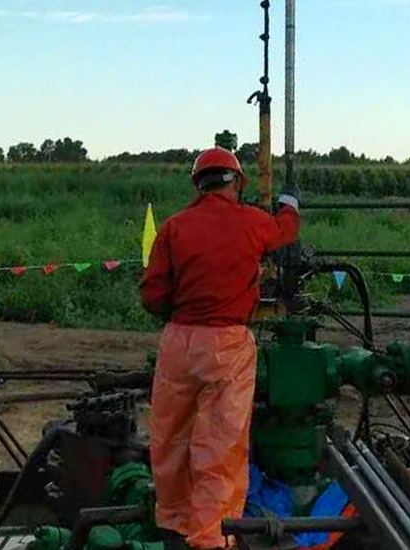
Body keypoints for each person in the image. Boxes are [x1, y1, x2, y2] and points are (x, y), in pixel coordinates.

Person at [139, 146, 301, 550]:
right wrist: (289, 205)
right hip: (227, 344)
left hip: (178, 343)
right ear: (238, 183)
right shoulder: (252, 221)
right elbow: (284, 233)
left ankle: (173, 523)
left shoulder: (174, 228)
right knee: (219, 446)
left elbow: (153, 296)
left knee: (170, 438)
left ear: (198, 184)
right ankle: (211, 536)